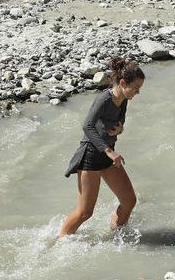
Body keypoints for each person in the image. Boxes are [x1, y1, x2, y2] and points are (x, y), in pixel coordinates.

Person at [59, 57, 145, 237]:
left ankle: (116, 234)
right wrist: (109, 151)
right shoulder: (104, 99)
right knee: (85, 213)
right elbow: (87, 126)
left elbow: (119, 120)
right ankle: (59, 241)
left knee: (129, 201)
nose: (138, 92)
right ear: (123, 83)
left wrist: (120, 127)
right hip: (91, 155)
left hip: (107, 157)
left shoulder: (124, 99)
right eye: (136, 88)